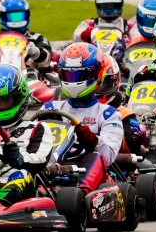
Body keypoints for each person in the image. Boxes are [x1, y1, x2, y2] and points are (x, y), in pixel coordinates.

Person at [43, 43, 124, 187]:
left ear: (95, 74)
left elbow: (109, 156)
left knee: (96, 156)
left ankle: (81, 193)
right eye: (69, 75)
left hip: (88, 176)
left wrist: (93, 141)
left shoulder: (108, 114)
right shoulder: (50, 108)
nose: (74, 80)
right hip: (51, 170)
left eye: (79, 75)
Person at [0, 64, 54, 205]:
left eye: (7, 99)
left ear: (20, 97)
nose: (1, 107)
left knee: (23, 175)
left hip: (16, 186)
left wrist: (18, 158)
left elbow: (40, 160)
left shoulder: (37, 128)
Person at [0, 0, 53, 72]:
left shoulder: (38, 39)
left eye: (20, 16)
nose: (16, 21)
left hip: (30, 80)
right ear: (2, 16)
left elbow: (46, 63)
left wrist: (36, 53)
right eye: (12, 17)